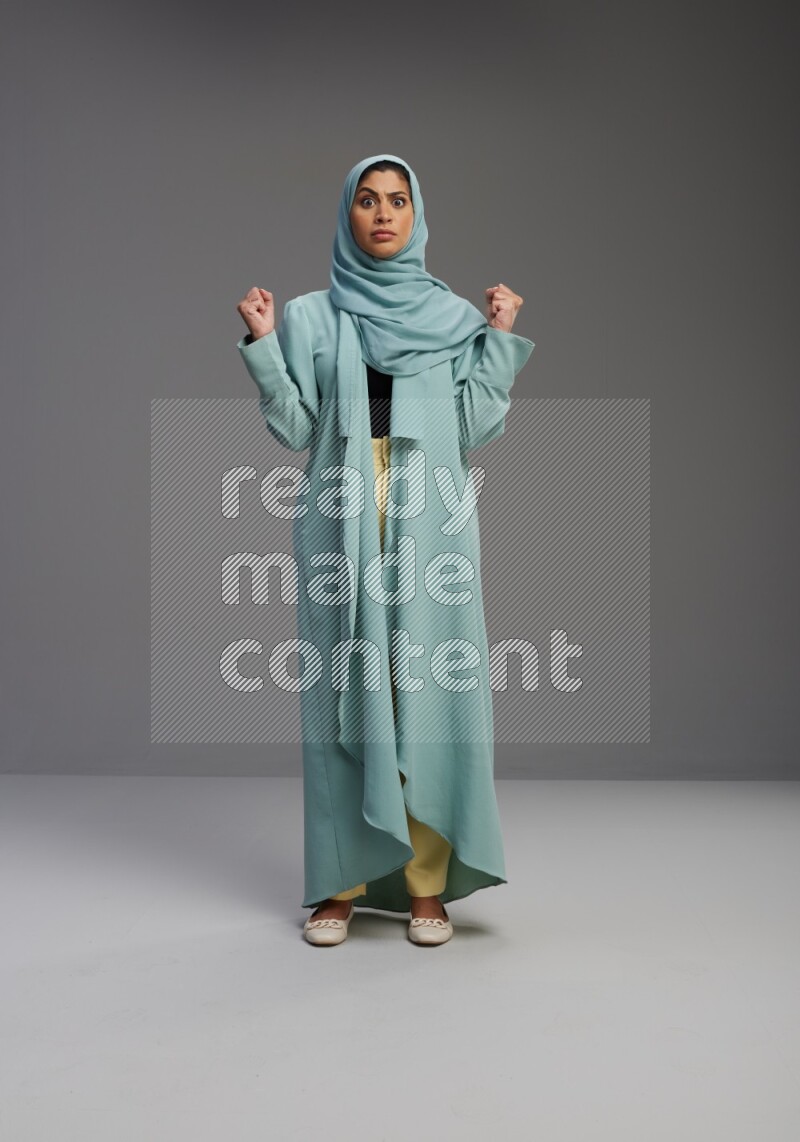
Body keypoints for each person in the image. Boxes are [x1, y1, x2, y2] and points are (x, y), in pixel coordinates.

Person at [235, 153, 534, 946]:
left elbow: (475, 429)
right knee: (343, 700)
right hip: (340, 516)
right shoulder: (309, 316)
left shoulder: (451, 319)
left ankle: (427, 886)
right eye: (367, 200)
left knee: (430, 698)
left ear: (416, 215)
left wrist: (499, 339)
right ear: (348, 214)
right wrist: (264, 345)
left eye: (397, 201)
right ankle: (338, 883)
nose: (382, 214)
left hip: (429, 517)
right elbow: (296, 430)